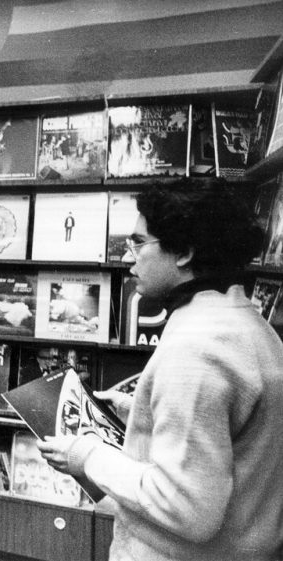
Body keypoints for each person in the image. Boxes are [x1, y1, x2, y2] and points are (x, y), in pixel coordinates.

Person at [38, 179, 283, 561]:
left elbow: (186, 508)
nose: (128, 257)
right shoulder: (248, 326)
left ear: (183, 252)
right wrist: (137, 410)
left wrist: (86, 454)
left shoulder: (196, 347)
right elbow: (229, 438)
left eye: (139, 242)